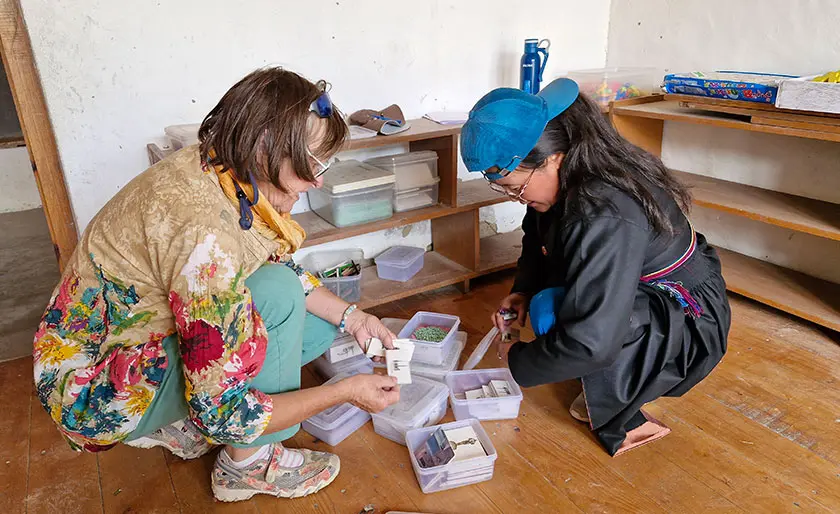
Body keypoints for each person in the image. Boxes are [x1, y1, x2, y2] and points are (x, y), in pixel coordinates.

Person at [33, 67, 401, 502]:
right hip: (90, 393)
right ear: (265, 149)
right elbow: (224, 413)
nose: (318, 180)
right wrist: (344, 391)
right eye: (313, 163)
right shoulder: (206, 236)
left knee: (319, 322)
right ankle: (247, 465)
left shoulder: (219, 165)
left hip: (126, 339)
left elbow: (272, 261)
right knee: (280, 298)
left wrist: (355, 318)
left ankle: (176, 422)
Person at [459, 78, 730, 456]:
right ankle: (611, 373)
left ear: (552, 157)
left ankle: (626, 403)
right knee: (544, 304)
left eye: (514, 188)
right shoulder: (570, 172)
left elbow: (592, 342)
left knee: (559, 317)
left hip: (687, 315)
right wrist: (522, 288)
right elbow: (536, 243)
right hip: (639, 285)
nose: (513, 196)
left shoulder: (605, 211)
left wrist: (517, 362)